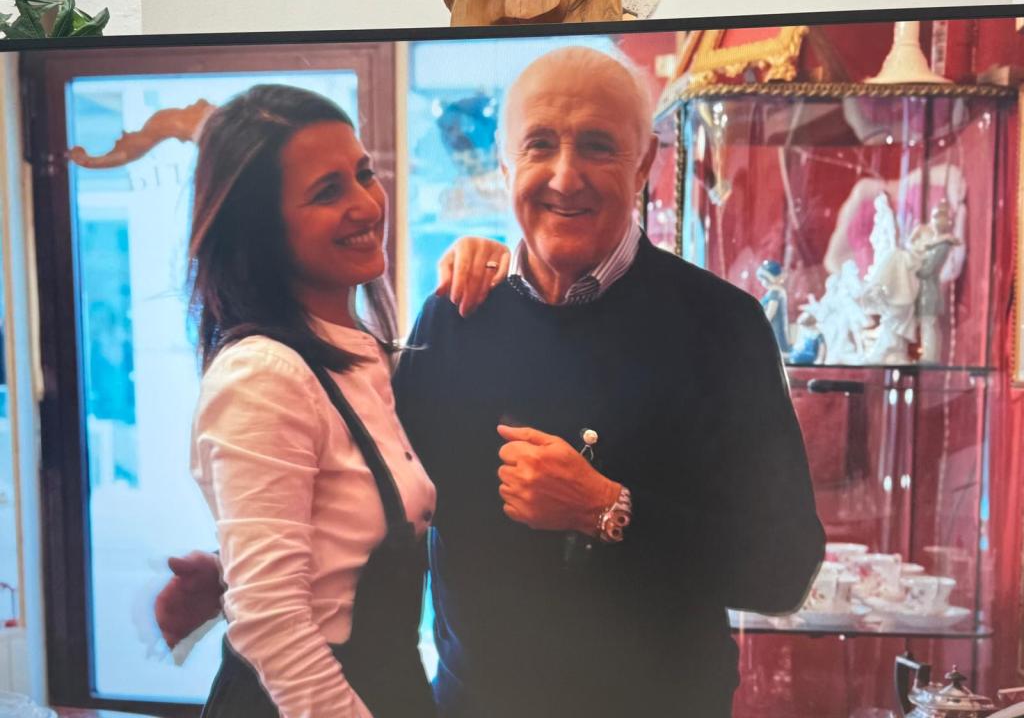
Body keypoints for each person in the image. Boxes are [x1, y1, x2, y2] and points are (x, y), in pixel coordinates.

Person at [160, 48, 825, 717]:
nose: (567, 177)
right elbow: (381, 500)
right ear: (505, 164)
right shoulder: (455, 316)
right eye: (540, 145)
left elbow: (785, 568)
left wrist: (609, 508)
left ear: (646, 162)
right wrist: (243, 572)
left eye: (598, 146)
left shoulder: (722, 326)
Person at [183, 83, 507, 718]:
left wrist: (496, 259)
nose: (366, 203)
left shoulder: (365, 353)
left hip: (390, 684)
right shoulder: (263, 375)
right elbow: (273, 622)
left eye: (365, 175)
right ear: (262, 230)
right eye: (327, 191)